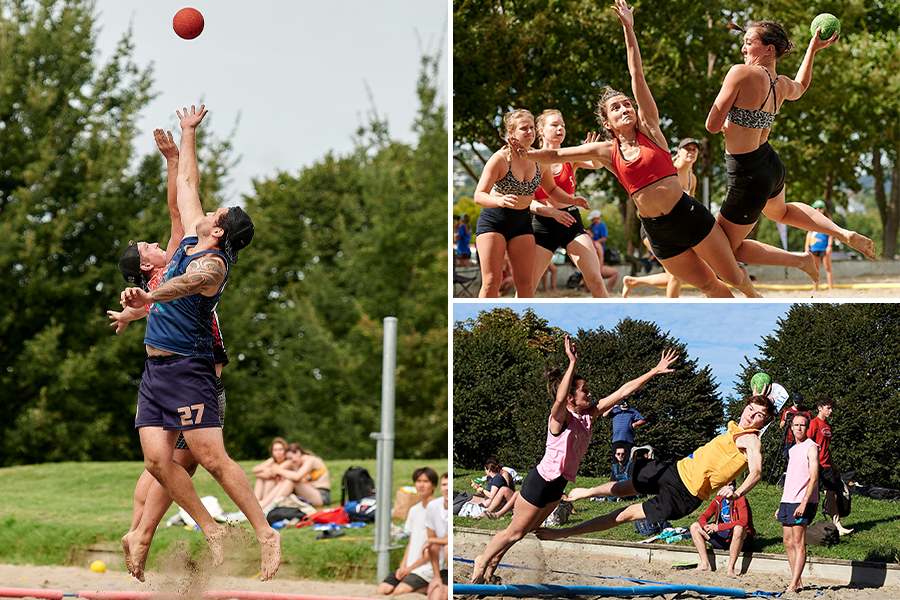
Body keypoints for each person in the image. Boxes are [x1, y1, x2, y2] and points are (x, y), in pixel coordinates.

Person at [119, 104, 280, 582]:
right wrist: (188, 135)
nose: (210, 209)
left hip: (190, 369)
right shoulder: (192, 240)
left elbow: (186, 285)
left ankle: (266, 532)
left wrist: (150, 294)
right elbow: (186, 188)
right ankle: (207, 529)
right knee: (156, 461)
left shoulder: (212, 267)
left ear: (219, 230)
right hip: (156, 371)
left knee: (209, 457)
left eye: (217, 213)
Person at [512, 0, 759, 299]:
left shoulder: (651, 130)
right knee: (708, 285)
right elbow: (554, 155)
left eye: (627, 103)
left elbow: (636, 74)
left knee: (732, 275)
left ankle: (754, 298)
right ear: (607, 121)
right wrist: (525, 154)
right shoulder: (605, 151)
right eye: (616, 108)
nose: (625, 108)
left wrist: (629, 30)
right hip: (657, 231)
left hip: (688, 215)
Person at [109, 130, 233, 577]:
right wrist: (178, 158)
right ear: (148, 264)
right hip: (195, 375)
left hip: (174, 374)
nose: (155, 241)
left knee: (161, 464)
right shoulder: (176, 264)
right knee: (183, 460)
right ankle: (143, 533)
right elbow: (180, 206)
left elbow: (179, 202)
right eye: (147, 246)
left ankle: (137, 530)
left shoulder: (164, 278)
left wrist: (172, 160)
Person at [470, 334, 678, 583]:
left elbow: (624, 391)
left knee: (523, 532)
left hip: (558, 486)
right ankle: (482, 561)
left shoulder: (588, 414)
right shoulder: (560, 417)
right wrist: (571, 363)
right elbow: (559, 399)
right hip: (540, 482)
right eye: (584, 390)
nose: (590, 393)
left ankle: (492, 565)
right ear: (570, 397)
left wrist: (654, 371)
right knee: (514, 531)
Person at [706, 19, 875, 281]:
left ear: (769, 49)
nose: (743, 50)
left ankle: (800, 260)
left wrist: (730, 122)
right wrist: (813, 48)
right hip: (771, 165)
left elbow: (712, 125)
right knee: (781, 212)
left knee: (723, 248)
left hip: (747, 174)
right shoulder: (782, 84)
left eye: (749, 43)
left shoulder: (740, 73)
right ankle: (841, 233)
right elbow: (802, 85)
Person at [536, 394, 776, 544]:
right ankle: (588, 492)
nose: (751, 416)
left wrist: (737, 492)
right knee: (623, 487)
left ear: (764, 423)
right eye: (750, 410)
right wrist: (759, 398)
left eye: (759, 416)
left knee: (626, 514)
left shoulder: (751, 441)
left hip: (684, 495)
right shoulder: (738, 428)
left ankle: (565, 532)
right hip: (675, 470)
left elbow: (756, 473)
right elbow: (755, 406)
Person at [473, 109, 589, 298]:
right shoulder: (499, 159)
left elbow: (551, 189)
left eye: (532, 127)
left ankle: (525, 323)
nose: (530, 132)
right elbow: (479, 196)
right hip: (494, 222)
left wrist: (571, 199)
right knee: (492, 281)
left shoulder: (539, 159)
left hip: (521, 223)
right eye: (523, 128)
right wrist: (499, 200)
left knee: (526, 283)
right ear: (511, 134)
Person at [526, 110, 609, 298]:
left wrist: (593, 151)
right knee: (527, 287)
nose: (560, 128)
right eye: (554, 125)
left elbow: (598, 165)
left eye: (562, 125)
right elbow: (527, 203)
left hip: (572, 222)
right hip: (543, 225)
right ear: (541, 130)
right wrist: (551, 213)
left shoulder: (570, 156)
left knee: (595, 279)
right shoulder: (531, 159)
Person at [376, 467, 439, 596]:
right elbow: (411, 542)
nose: (421, 485)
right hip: (410, 566)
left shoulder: (438, 509)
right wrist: (403, 565)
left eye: (425, 481)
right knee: (382, 591)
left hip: (426, 568)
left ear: (433, 485)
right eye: (418, 481)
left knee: (400, 593)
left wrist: (411, 568)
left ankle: (432, 588)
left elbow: (434, 548)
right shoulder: (414, 510)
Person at [777, 412, 819, 593]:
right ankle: (798, 580)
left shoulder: (812, 447)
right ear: (791, 427)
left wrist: (804, 502)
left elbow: (814, 477)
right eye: (796, 425)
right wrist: (781, 503)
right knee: (787, 542)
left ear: (806, 427)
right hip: (788, 499)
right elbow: (791, 478)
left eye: (802, 425)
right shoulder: (792, 450)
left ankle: (793, 584)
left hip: (803, 499)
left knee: (798, 541)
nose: (799, 428)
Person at [689, 480, 755, 576]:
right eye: (725, 485)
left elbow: (743, 522)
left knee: (738, 528)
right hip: (724, 536)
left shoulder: (741, 499)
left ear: (735, 487)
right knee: (694, 526)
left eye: (730, 485)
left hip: (741, 538)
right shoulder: (718, 499)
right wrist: (705, 526)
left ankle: (730, 569)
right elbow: (703, 516)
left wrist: (719, 527)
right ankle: (705, 564)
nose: (728, 487)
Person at [807, 396, 852, 535]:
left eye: (831, 408)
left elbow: (826, 448)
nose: (831, 411)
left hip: (827, 467)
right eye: (828, 408)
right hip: (815, 465)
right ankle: (802, 524)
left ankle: (838, 527)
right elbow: (807, 444)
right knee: (810, 496)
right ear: (820, 408)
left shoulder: (828, 426)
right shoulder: (813, 424)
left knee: (832, 495)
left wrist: (833, 466)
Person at [257, 443, 332, 509]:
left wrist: (279, 471)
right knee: (283, 480)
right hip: (311, 492)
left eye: (291, 458)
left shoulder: (310, 460)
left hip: (321, 496)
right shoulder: (297, 463)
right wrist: (266, 472)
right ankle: (263, 506)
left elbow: (297, 476)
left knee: (291, 480)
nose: (291, 461)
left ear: (298, 453)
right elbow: (273, 471)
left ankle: (270, 506)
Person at [622, 224, 682, 298]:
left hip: (668, 230)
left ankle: (633, 282)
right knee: (676, 273)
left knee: (671, 277)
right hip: (656, 230)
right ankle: (671, 307)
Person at [425, 472, 449, 600]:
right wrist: (436, 577)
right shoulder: (433, 506)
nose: (447, 488)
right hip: (443, 567)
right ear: (440, 487)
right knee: (435, 596)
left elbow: (431, 540)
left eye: (450, 485)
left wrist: (434, 540)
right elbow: (432, 544)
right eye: (444, 485)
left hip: (451, 558)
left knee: (447, 549)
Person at [586, 210, 620, 292]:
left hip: (597, 252)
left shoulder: (602, 227)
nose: (591, 220)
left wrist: (595, 243)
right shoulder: (592, 226)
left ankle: (608, 289)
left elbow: (604, 239)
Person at [805, 201, 834, 291]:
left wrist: (830, 245)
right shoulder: (811, 221)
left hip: (824, 247)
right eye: (816, 208)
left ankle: (830, 287)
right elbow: (809, 234)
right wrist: (807, 247)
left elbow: (831, 234)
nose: (818, 210)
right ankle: (815, 287)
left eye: (820, 208)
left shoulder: (827, 221)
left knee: (827, 267)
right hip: (814, 247)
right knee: (815, 269)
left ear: (823, 209)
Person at [252, 437, 293, 503]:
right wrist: (264, 469)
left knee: (269, 480)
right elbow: (254, 469)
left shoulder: (288, 461)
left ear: (285, 450)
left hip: (282, 488)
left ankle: (263, 503)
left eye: (281, 449)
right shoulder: (272, 460)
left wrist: (259, 474)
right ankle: (255, 502)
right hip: (274, 486)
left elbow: (272, 473)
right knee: (260, 479)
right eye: (275, 450)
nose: (278, 452)